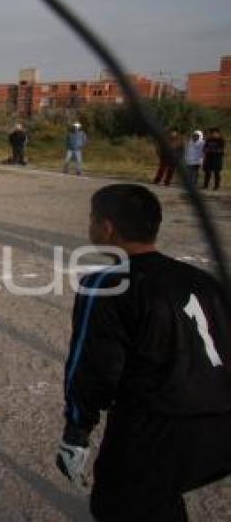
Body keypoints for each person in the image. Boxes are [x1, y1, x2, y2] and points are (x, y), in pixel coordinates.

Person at [56, 184, 231, 521]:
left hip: (161, 428)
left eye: (93, 219)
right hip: (221, 424)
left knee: (120, 504)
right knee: (159, 496)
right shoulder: (201, 280)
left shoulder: (106, 285)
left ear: (107, 228)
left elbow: (92, 368)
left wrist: (77, 431)